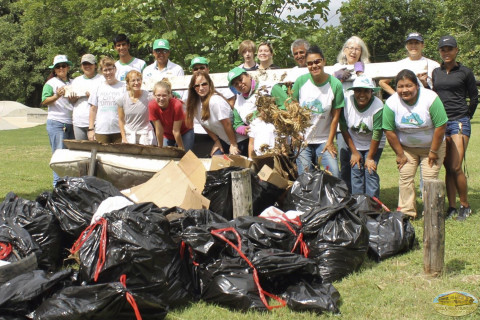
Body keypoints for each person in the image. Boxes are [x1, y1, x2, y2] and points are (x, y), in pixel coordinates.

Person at [383, 69, 447, 218]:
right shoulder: (392, 102)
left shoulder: (430, 98)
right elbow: (389, 130)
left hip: (432, 147)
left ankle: (432, 211)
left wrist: (433, 151)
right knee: (405, 176)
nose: (404, 90)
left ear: (417, 86)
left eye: (409, 86)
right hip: (406, 148)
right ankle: (407, 212)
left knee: (429, 179)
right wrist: (400, 154)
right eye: (400, 86)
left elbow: (441, 126)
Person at [432, 35, 479, 220]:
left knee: (456, 165)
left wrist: (467, 115)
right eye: (443, 49)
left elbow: (474, 97)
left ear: (456, 50)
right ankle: (451, 207)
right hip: (441, 123)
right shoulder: (436, 72)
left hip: (459, 121)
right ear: (440, 52)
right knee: (447, 167)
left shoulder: (465, 72)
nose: (446, 52)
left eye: (450, 48)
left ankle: (464, 205)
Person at [292, 45, 345, 176]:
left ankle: (332, 197)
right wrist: (295, 134)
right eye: (310, 63)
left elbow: (335, 117)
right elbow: (293, 111)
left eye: (317, 61)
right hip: (303, 140)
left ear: (323, 61)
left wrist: (330, 141)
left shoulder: (335, 84)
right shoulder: (300, 82)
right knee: (305, 177)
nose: (314, 66)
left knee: (334, 173)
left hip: (324, 140)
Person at [333, 36, 371, 192]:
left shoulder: (367, 68)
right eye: (350, 48)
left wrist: (360, 72)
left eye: (357, 48)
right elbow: (331, 91)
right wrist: (338, 78)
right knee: (345, 158)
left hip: (362, 121)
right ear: (344, 50)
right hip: (343, 121)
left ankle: (364, 194)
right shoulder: (336, 68)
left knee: (364, 158)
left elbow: (371, 91)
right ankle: (346, 193)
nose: (353, 51)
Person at [340, 76, 385, 198]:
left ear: (372, 92)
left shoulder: (378, 105)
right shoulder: (346, 102)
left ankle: (373, 204)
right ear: (353, 91)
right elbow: (343, 128)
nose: (362, 94)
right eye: (358, 90)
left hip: (374, 143)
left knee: (370, 170)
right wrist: (354, 152)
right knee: (356, 170)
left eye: (366, 91)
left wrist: (370, 157)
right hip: (355, 142)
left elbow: (377, 132)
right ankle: (358, 203)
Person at [186, 72, 247, 156]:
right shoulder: (195, 104)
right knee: (215, 158)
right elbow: (204, 124)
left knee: (233, 166)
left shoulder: (215, 101)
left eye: (204, 84)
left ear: (210, 84)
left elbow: (227, 123)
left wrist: (233, 144)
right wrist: (217, 141)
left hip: (238, 141)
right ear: (193, 88)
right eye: (197, 86)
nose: (201, 88)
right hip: (224, 141)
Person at [226, 67, 287, 148]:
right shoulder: (238, 102)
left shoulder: (269, 88)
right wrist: (243, 129)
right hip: (258, 144)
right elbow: (237, 124)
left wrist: (272, 115)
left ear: (248, 76)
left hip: (280, 140)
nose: (240, 84)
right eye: (236, 84)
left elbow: (288, 106)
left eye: (241, 80)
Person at [41, 54, 75, 187]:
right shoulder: (51, 83)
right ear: (54, 70)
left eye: (64, 66)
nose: (61, 68)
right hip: (57, 122)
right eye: (58, 66)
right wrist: (57, 95)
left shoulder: (73, 82)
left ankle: (68, 187)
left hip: (71, 122)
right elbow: (44, 101)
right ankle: (57, 188)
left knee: (71, 158)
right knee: (59, 158)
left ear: (68, 67)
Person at [88, 57, 126, 143]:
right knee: (101, 155)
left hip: (120, 130)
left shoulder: (124, 87)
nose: (108, 73)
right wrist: (90, 129)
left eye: (110, 69)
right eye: (105, 70)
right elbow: (93, 109)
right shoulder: (98, 87)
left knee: (120, 155)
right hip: (102, 130)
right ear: (101, 72)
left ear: (115, 69)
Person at [149, 79, 194, 151]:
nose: (161, 98)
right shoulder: (152, 105)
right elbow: (159, 130)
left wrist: (181, 150)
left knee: (185, 155)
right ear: (154, 95)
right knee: (165, 155)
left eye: (164, 95)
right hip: (167, 134)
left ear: (169, 95)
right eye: (158, 95)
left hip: (184, 131)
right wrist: (160, 149)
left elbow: (176, 131)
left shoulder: (177, 105)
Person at [117, 70, 156, 145]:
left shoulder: (149, 97)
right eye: (133, 80)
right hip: (129, 135)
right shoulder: (121, 99)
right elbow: (121, 120)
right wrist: (124, 138)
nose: (136, 83)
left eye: (138, 80)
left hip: (145, 134)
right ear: (128, 83)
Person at [70, 54, 104, 140]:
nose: (87, 66)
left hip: (97, 122)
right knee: (81, 151)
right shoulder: (76, 81)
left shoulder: (102, 79)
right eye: (85, 64)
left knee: (95, 150)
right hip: (78, 122)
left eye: (90, 64)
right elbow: (72, 101)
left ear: (95, 65)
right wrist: (73, 98)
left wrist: (92, 98)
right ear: (81, 66)